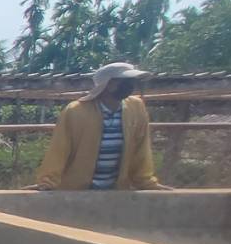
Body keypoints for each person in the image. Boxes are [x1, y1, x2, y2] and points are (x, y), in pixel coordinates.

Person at [33, 62, 166, 191]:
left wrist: (146, 182)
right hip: (78, 191)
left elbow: (141, 150)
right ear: (108, 84)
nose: (130, 85)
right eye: (124, 81)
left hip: (116, 191)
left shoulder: (136, 108)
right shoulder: (76, 111)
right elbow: (59, 149)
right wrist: (48, 181)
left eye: (131, 81)